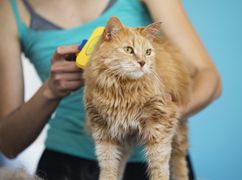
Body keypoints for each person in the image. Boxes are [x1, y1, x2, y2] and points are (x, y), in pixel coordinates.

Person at [0, 0, 222, 179]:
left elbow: (209, 77)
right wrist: (50, 90)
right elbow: (8, 144)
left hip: (157, 157)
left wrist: (163, 116)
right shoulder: (9, 10)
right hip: (67, 165)